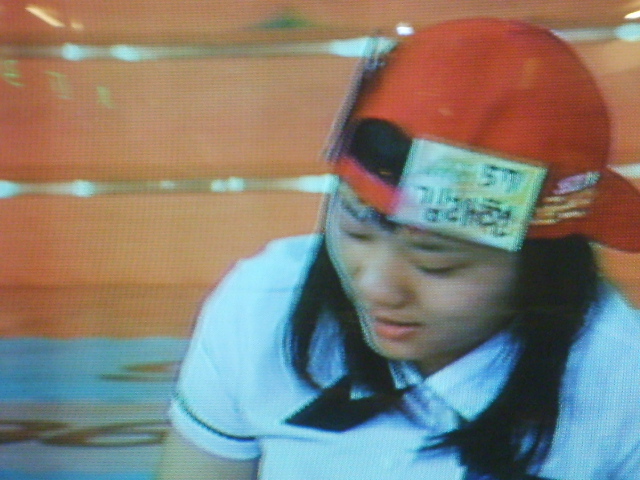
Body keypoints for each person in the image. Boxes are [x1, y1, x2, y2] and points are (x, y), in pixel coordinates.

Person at [156, 18, 640, 480]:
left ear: (541, 268)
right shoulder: (260, 308)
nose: (375, 286)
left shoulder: (622, 384)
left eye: (435, 262)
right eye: (357, 229)